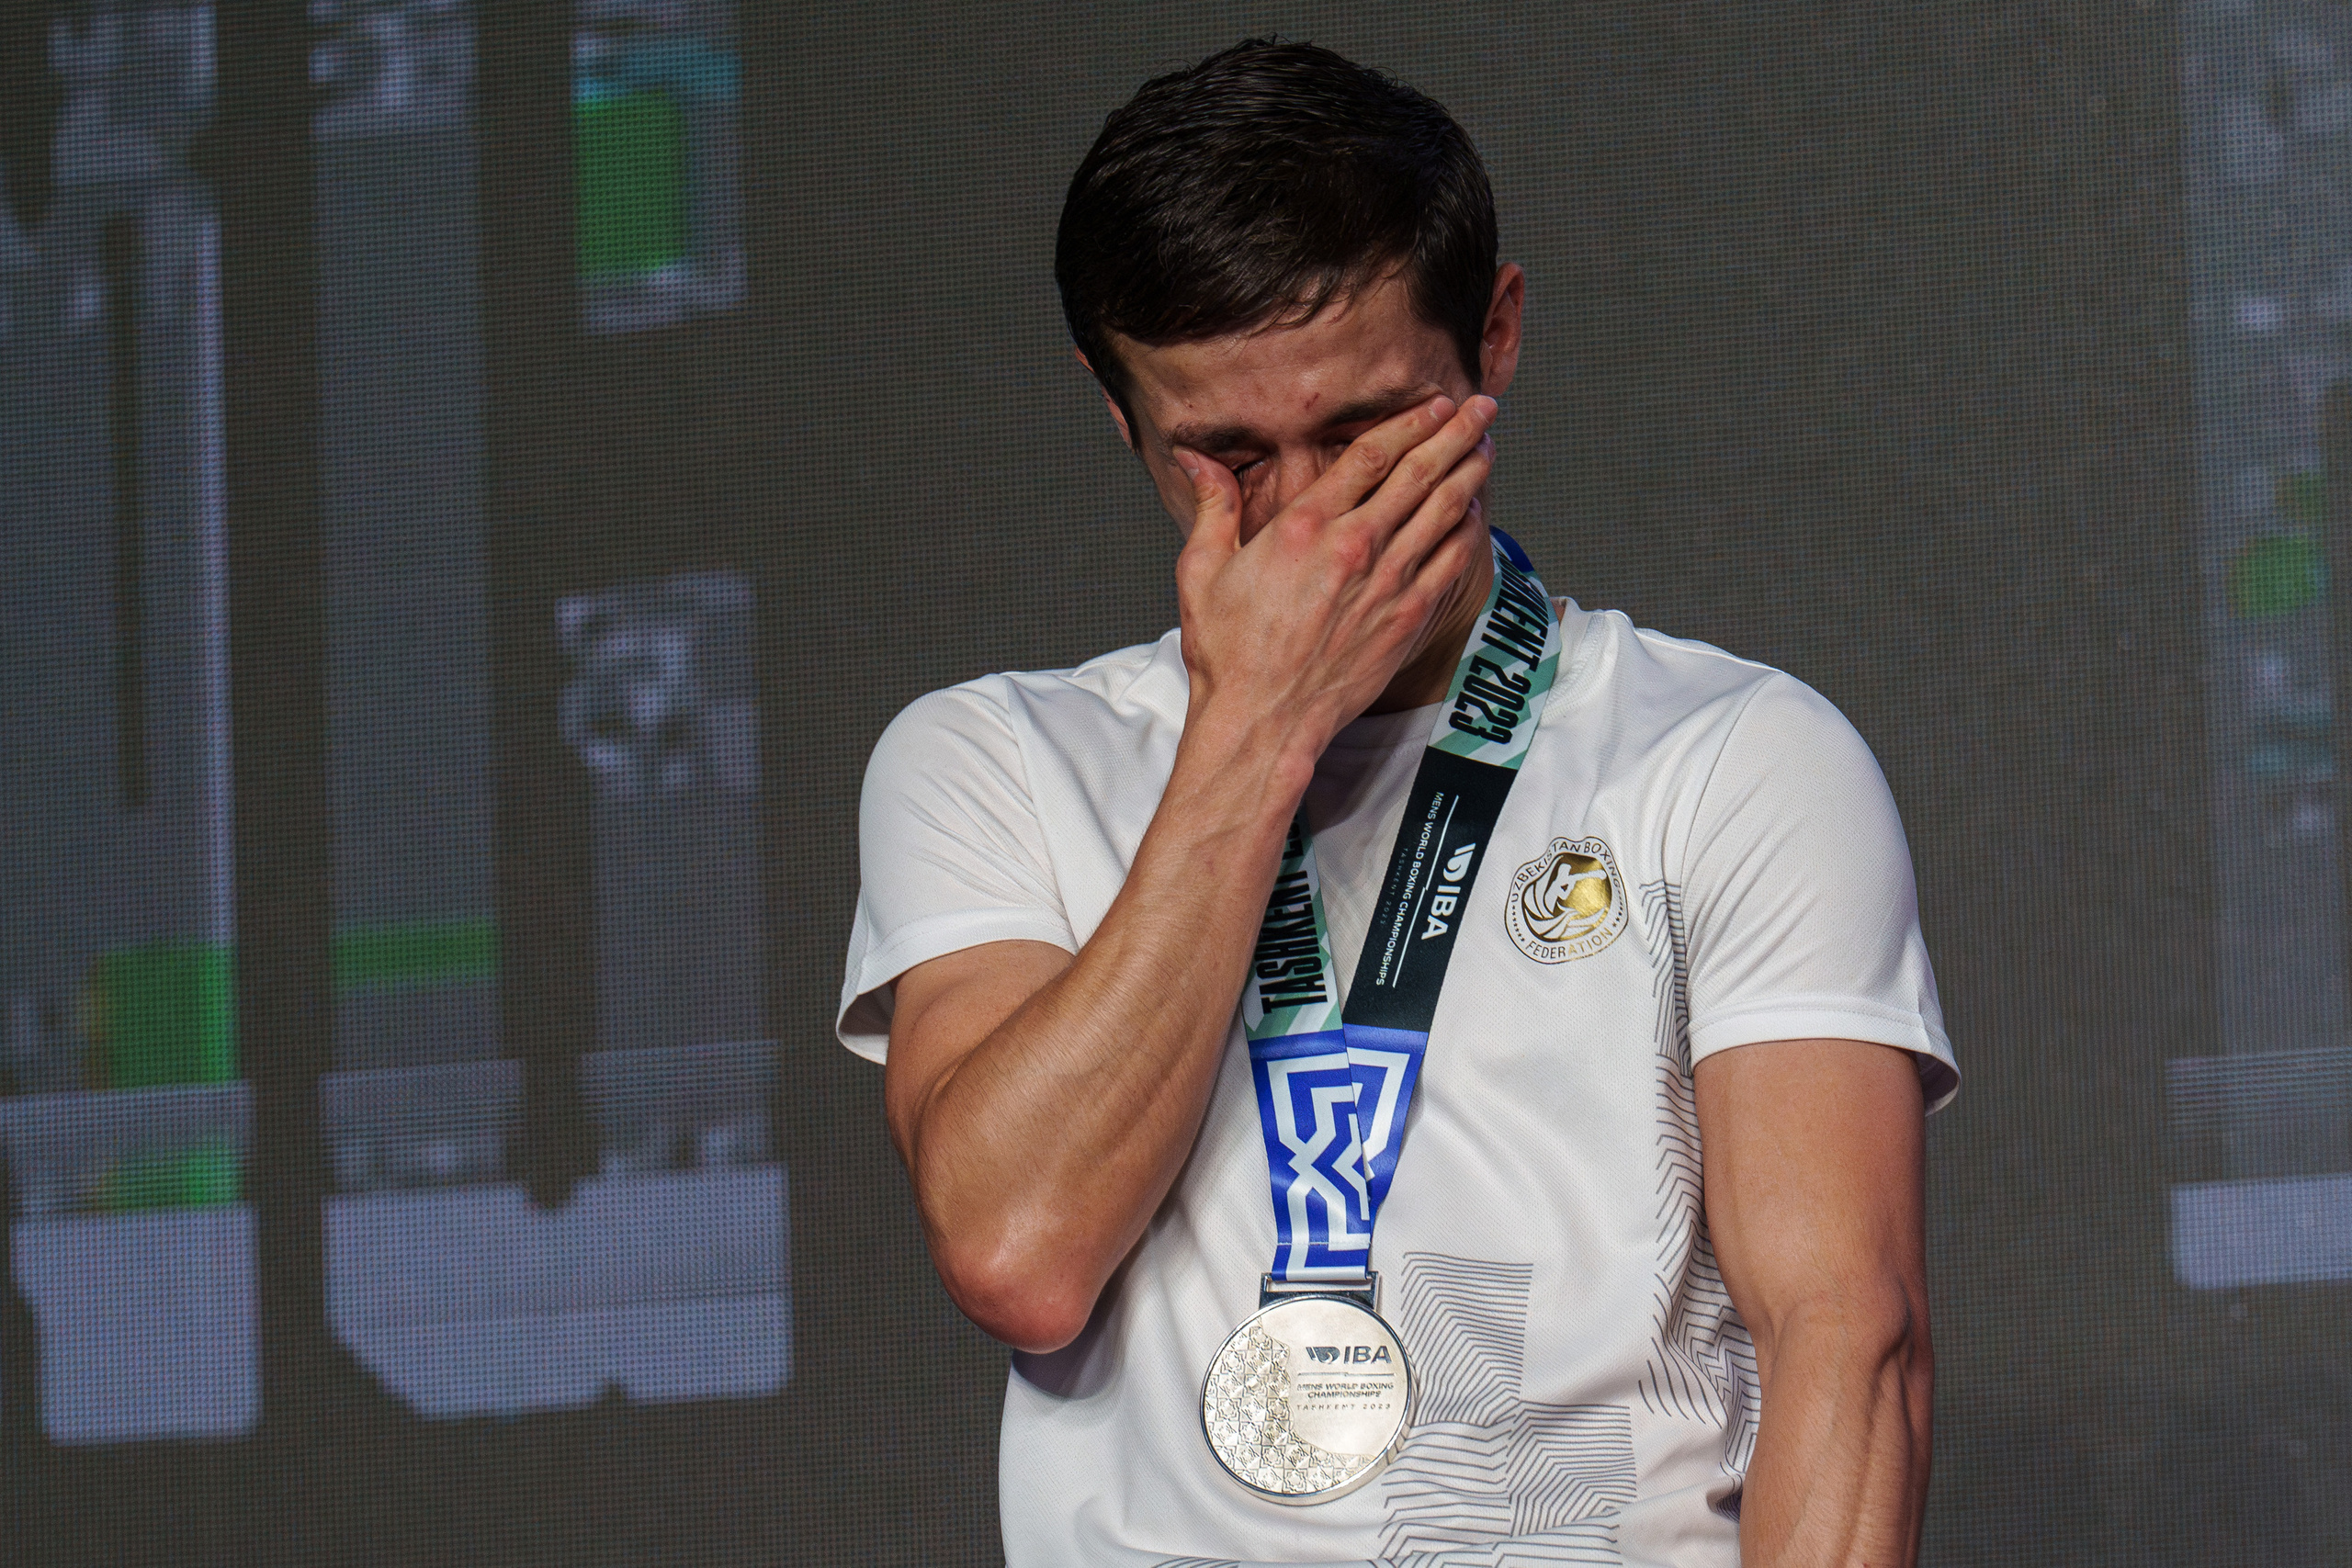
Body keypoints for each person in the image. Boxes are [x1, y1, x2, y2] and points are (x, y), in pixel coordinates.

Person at [836, 38, 1956, 1568]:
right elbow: (1021, 1250)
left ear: (1493, 339)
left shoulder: (1731, 755)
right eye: (1228, 458)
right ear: (1119, 418)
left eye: (1367, 434)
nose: (1312, 518)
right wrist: (1257, 731)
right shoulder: (994, 761)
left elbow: (1850, 1337)